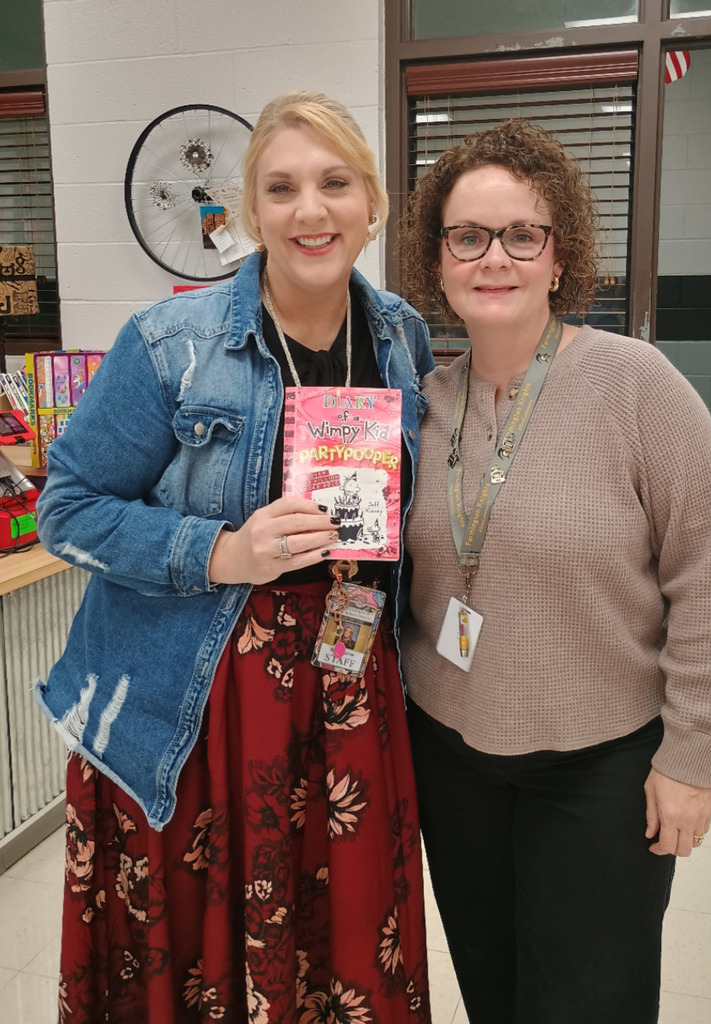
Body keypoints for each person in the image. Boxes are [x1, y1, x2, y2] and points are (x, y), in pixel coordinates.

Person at [36, 90, 434, 1024]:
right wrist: (219, 551)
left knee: (340, 944)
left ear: (371, 202)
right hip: (199, 697)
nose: (310, 210)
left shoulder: (402, 338)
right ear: (250, 212)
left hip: (347, 681)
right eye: (282, 187)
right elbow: (65, 510)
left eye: (335, 183)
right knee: (201, 957)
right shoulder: (173, 346)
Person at [397, 119, 711, 1024]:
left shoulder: (639, 386)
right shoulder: (420, 406)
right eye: (467, 236)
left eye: (523, 235)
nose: (494, 257)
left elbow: (708, 572)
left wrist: (693, 753)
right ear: (437, 262)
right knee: (493, 983)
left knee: (591, 999)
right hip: (451, 758)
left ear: (560, 258)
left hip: (603, 765)